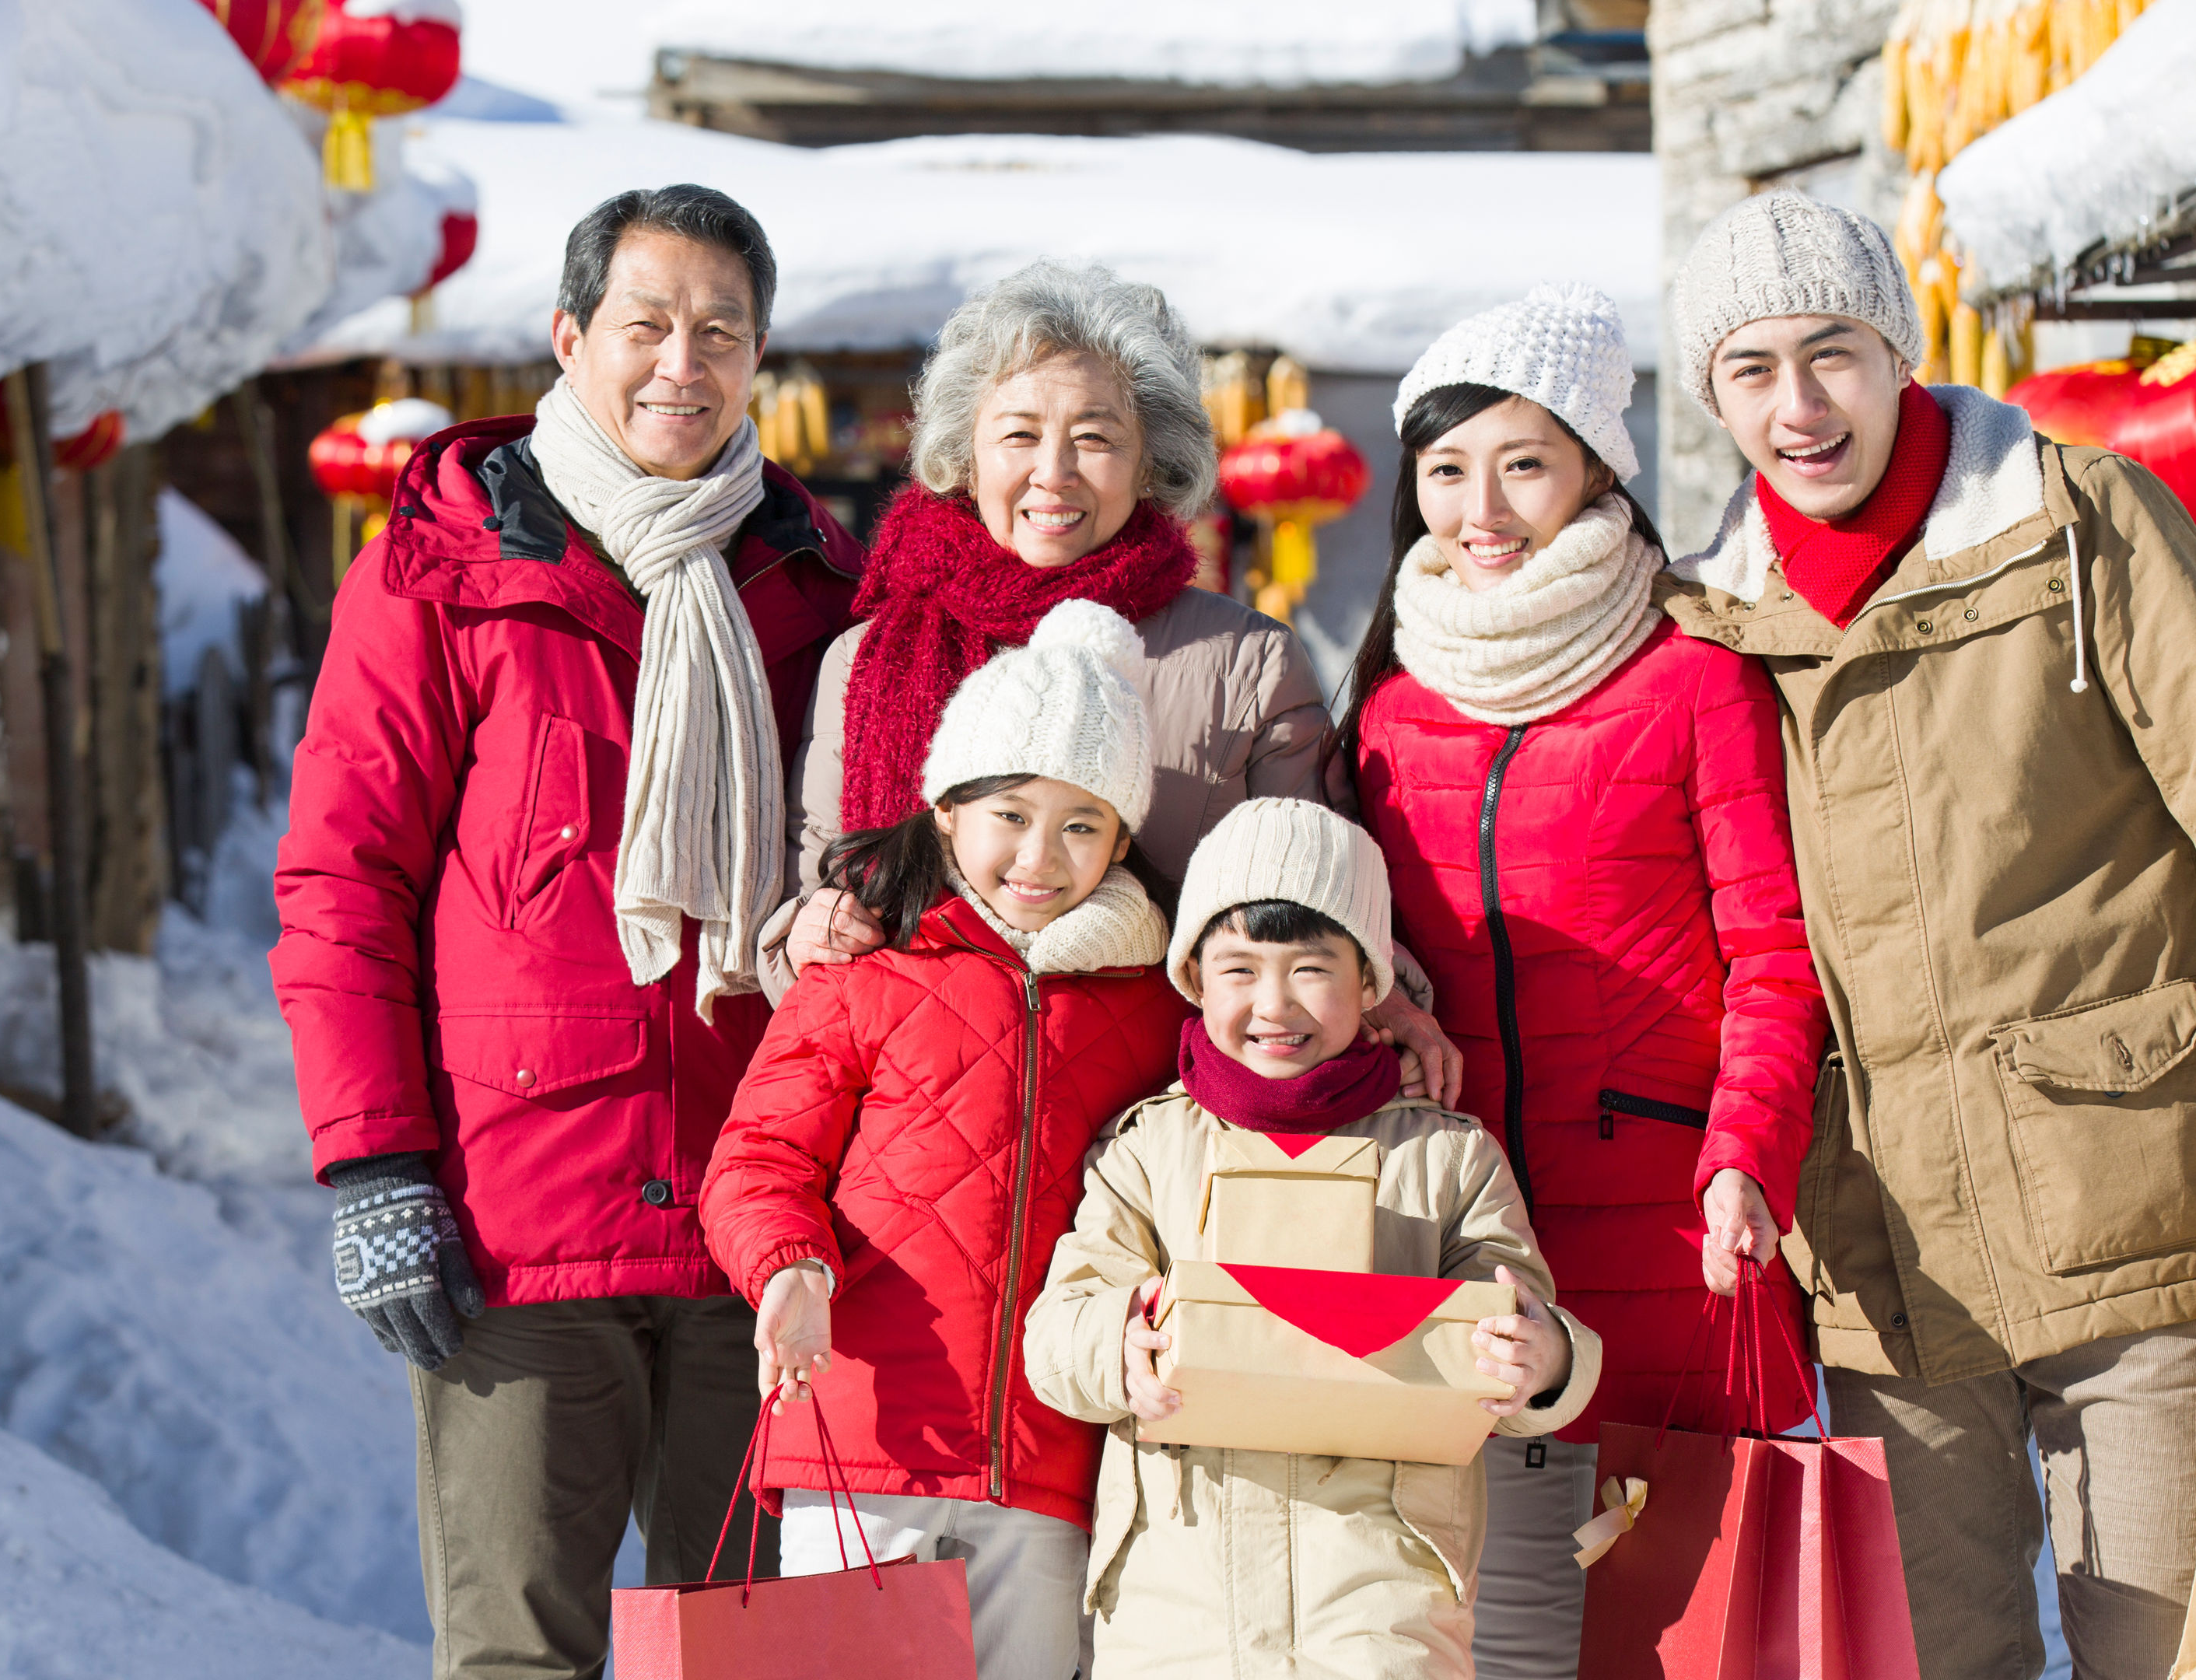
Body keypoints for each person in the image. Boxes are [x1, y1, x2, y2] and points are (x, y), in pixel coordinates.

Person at [1662, 191, 2196, 1680]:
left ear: (1901, 351)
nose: (1799, 407)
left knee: (2180, 1651)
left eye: (1834, 353)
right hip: (1886, 1255)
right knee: (1943, 1660)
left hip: (2135, 1185)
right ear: (1712, 397)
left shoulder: (2078, 524)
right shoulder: (1710, 620)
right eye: (1750, 369)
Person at [274, 184, 863, 1677]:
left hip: (760, 1222)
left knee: (748, 1657)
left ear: (759, 359)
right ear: (569, 337)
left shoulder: (810, 581)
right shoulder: (443, 571)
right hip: (516, 1225)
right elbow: (347, 882)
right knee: (516, 1655)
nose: (684, 362)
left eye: (720, 331)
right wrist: (377, 1166)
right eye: (647, 324)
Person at [1338, 283, 1829, 1678]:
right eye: (1445, 471)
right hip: (1461, 1243)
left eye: (1523, 464)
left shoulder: (1689, 677)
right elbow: (1361, 941)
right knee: (1479, 1635)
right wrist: (1389, 996)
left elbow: (1773, 958)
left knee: (1678, 1627)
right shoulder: (1392, 705)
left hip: (1673, 1231)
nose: (1479, 509)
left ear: (1599, 469)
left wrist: (1749, 1155)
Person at [760, 259, 1462, 1092]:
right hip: (919, 1127)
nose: (1053, 473)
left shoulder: (1244, 662)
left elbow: (1318, 896)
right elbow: (819, 886)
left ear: (1150, 463)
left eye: (1094, 438)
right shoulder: (869, 657)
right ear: (966, 456)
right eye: (1018, 435)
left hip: (1160, 1123)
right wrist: (807, 931)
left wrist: (1387, 994)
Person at [699, 601, 1191, 1678]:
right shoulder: (868, 979)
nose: (1039, 855)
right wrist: (789, 1269)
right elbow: (758, 1159)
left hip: (1057, 1452)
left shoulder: (1159, 1006)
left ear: (1121, 840)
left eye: (1081, 825)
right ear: (948, 809)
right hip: (867, 1438)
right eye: (1010, 813)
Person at [1025, 797, 1602, 1679]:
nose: (1273, 1003)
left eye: (1310, 969)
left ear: (1370, 982)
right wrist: (1119, 1340)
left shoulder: (1446, 1157)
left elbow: (1518, 1313)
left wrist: (1547, 1358)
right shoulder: (1148, 1149)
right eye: (1239, 969)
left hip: (1379, 1598)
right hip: (1177, 1600)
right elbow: (1058, 1330)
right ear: (1193, 979)